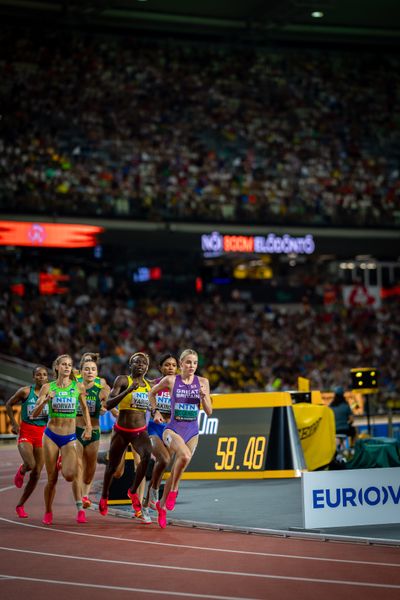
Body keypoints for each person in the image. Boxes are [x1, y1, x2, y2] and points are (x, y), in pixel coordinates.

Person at [148, 349, 212, 528]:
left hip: (192, 431)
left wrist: (204, 397)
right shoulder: (170, 380)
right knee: (184, 456)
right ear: (181, 364)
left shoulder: (203, 382)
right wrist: (156, 411)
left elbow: (209, 411)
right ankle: (174, 491)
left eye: (195, 363)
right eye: (188, 362)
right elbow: (151, 394)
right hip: (173, 429)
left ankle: (162, 508)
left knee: (178, 469)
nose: (191, 366)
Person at [31, 354, 92, 525]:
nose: (67, 367)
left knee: (70, 475)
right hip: (51, 435)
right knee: (52, 479)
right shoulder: (47, 388)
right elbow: (33, 414)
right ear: (57, 367)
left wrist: (88, 427)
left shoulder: (78, 387)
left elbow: (85, 408)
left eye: (69, 365)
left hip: (69, 436)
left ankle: (62, 462)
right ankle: (48, 511)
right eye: (63, 364)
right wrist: (44, 401)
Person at [99, 352, 152, 524]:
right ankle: (105, 495)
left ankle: (133, 491)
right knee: (113, 467)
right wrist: (128, 390)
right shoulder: (122, 380)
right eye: (137, 362)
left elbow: (155, 404)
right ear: (130, 365)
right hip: (121, 430)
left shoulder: (149, 386)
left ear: (147, 367)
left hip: (139, 431)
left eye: (143, 363)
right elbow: (109, 403)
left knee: (146, 457)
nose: (140, 365)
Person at [6, 365, 49, 518]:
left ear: (47, 377)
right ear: (33, 377)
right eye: (38, 375)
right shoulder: (25, 391)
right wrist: (14, 423)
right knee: (30, 465)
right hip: (26, 432)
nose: (41, 377)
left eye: (44, 374)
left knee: (37, 473)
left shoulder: (51, 394)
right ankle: (23, 469)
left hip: (42, 435)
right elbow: (9, 404)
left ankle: (20, 505)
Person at [72, 357, 109, 510]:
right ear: (81, 372)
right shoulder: (74, 387)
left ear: (97, 373)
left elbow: (106, 406)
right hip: (77, 430)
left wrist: (104, 409)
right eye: (86, 369)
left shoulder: (102, 390)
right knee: (78, 465)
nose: (90, 372)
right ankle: (81, 499)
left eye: (93, 369)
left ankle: (85, 494)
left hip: (94, 431)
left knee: (90, 467)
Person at [144, 353, 178, 514]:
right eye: (167, 365)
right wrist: (155, 411)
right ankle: (155, 491)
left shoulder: (181, 385)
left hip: (172, 428)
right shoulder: (154, 384)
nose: (170, 368)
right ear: (160, 367)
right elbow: (147, 395)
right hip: (154, 427)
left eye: (173, 365)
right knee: (163, 459)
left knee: (164, 463)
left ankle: (148, 499)